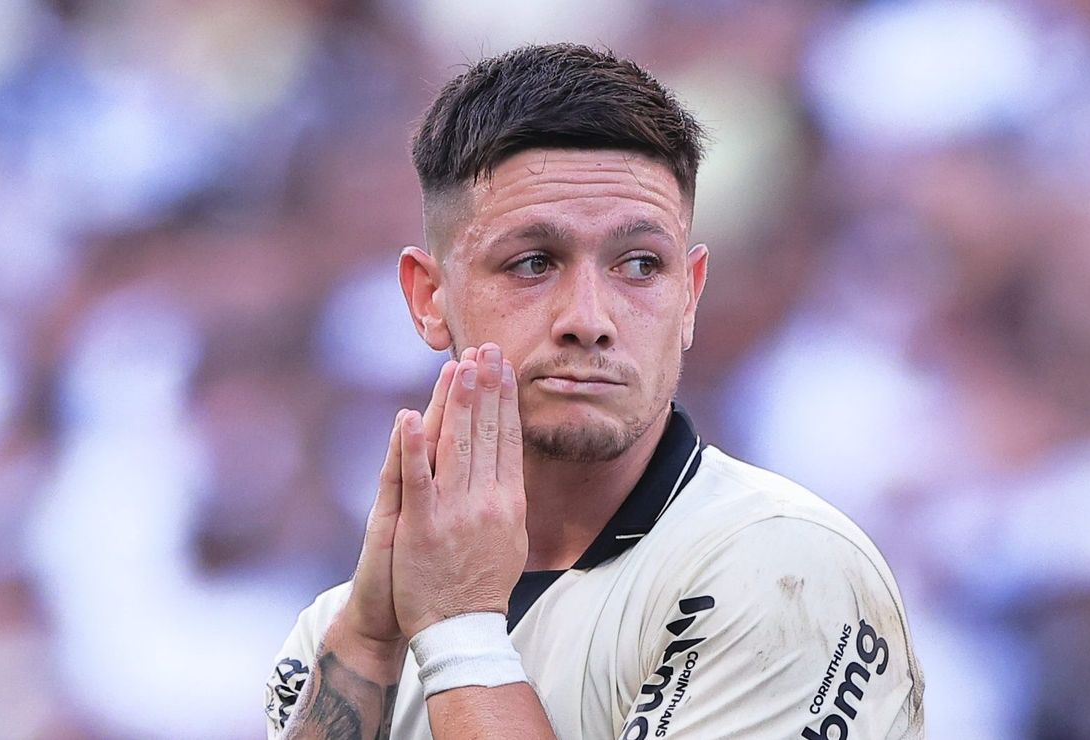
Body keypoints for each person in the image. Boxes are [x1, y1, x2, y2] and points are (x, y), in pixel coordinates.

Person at [264, 43, 924, 739]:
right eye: (534, 262)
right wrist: (370, 639)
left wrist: (459, 630)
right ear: (430, 298)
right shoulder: (335, 633)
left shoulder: (782, 567)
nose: (589, 320)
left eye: (641, 264)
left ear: (690, 296)